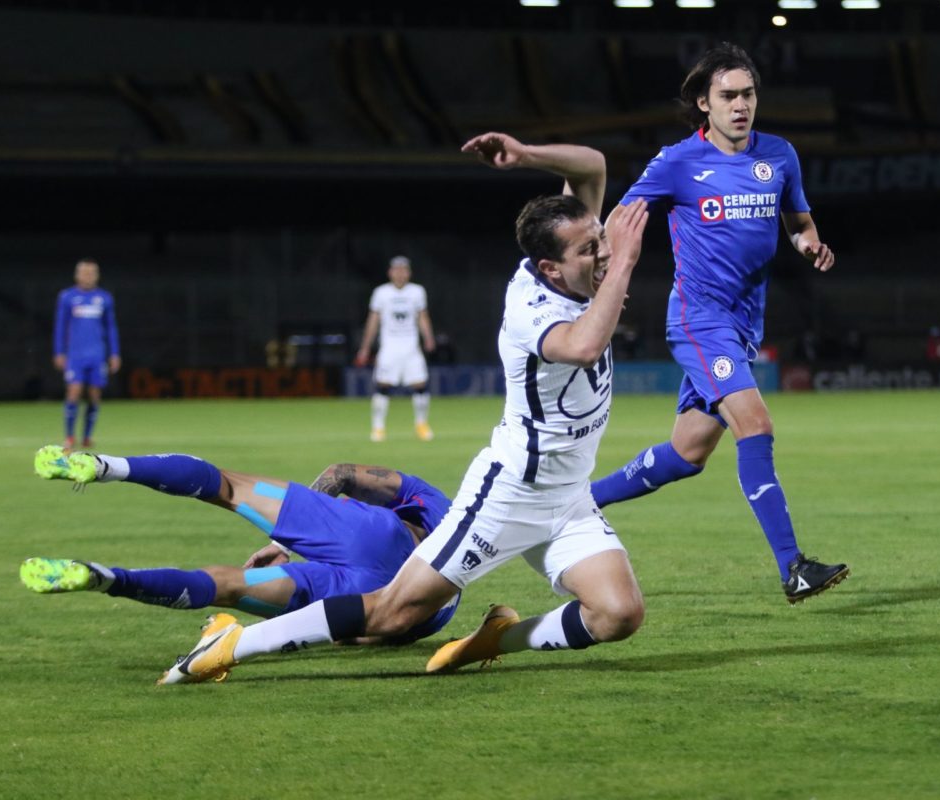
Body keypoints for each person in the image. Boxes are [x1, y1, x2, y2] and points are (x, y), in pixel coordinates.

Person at [158, 133, 650, 685]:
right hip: (511, 494)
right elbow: (582, 346)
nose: (604, 252)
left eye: (603, 242)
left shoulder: (573, 262)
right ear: (550, 268)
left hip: (567, 495)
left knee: (618, 614)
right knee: (395, 612)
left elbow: (593, 166)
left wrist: (526, 157)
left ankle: (493, 639)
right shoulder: (532, 310)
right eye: (591, 250)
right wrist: (626, 262)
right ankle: (236, 644)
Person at [588, 42, 849, 604]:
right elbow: (620, 218)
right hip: (699, 320)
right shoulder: (678, 162)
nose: (740, 105)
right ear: (703, 104)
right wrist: (603, 275)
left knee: (687, 455)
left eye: (748, 94)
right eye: (728, 95)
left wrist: (809, 245)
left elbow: (798, 220)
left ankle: (579, 502)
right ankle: (793, 568)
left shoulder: (778, 154)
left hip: (742, 326)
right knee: (755, 426)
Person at [24, 445, 459, 649]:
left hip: (376, 535)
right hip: (387, 595)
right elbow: (368, 634)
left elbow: (341, 473)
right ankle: (106, 579)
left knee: (227, 487)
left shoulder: (440, 503)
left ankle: (106, 467)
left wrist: (280, 541)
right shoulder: (444, 611)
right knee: (226, 587)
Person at [354, 255, 437, 442]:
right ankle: (378, 427)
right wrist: (365, 347)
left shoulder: (417, 292)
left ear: (409, 273)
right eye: (397, 270)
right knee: (383, 385)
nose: (400, 274)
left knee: (420, 384)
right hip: (389, 347)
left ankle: (421, 424)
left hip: (411, 347)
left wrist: (429, 338)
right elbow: (373, 320)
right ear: (390, 272)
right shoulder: (381, 293)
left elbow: (422, 316)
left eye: (404, 270)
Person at [52, 259, 121, 450]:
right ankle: (69, 436)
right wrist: (59, 351)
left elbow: (111, 327)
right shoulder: (67, 297)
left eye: (92, 273)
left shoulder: (104, 298)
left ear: (97, 275)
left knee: (94, 394)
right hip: (75, 355)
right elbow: (60, 326)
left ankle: (88, 436)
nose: (88, 276)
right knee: (73, 391)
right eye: (84, 272)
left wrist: (114, 353)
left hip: (97, 354)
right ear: (77, 275)